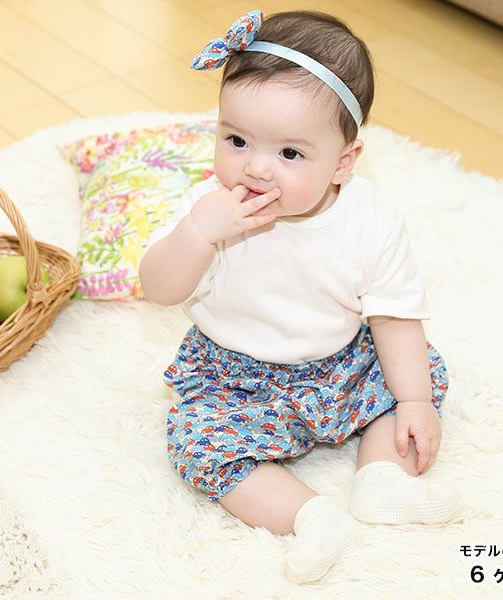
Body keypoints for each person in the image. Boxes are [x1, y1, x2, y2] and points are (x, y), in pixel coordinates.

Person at [138, 9, 463, 585]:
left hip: (340, 363)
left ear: (343, 162)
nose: (256, 168)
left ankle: (380, 478)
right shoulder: (209, 211)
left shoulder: (372, 222)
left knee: (417, 371)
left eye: (290, 154)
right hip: (234, 377)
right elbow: (159, 290)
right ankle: (311, 516)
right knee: (196, 443)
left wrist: (413, 401)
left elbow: (394, 318)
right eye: (236, 140)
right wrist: (198, 233)